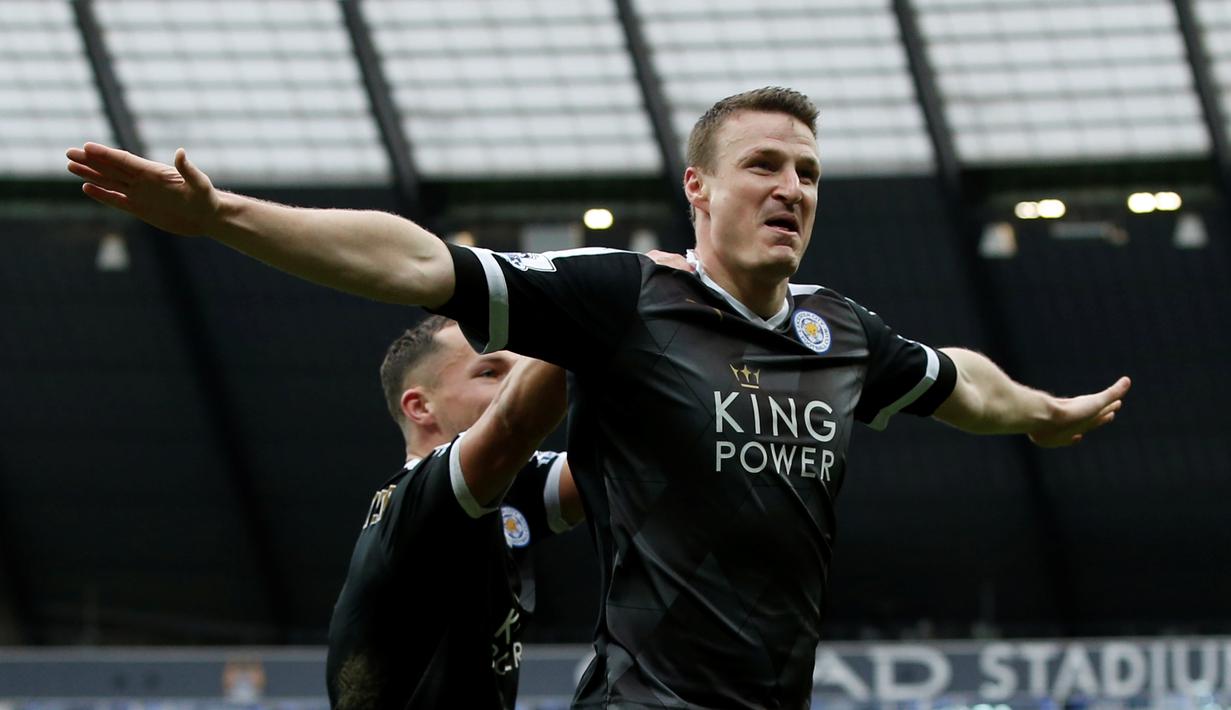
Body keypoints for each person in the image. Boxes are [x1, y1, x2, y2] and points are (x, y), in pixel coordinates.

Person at [67, 86, 1130, 709]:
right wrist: (229, 216)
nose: (792, 188)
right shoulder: (626, 297)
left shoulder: (839, 332)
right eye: (764, 163)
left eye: (809, 171)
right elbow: (417, 262)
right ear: (698, 189)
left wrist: (1041, 410)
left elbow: (955, 379)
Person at [326, 315, 581, 709]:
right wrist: (599, 303)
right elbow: (514, 422)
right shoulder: (422, 501)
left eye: (518, 368)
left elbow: (618, 471)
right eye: (490, 372)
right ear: (420, 406)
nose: (514, 382)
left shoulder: (506, 489)